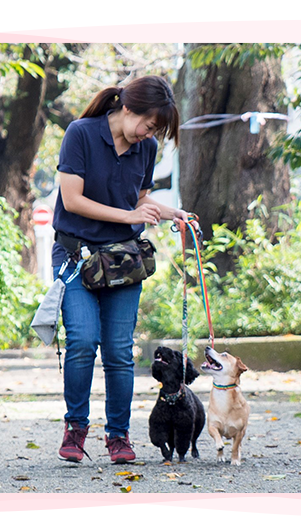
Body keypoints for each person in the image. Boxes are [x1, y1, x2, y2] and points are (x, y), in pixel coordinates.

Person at [52, 75, 187, 464]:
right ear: (128, 109)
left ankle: (118, 435)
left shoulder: (145, 149)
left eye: (157, 129)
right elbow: (72, 200)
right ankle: (76, 427)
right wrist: (130, 214)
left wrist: (175, 213)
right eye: (150, 124)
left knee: (118, 352)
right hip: (77, 256)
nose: (151, 134)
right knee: (81, 342)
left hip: (123, 260)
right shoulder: (80, 134)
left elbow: (140, 200)